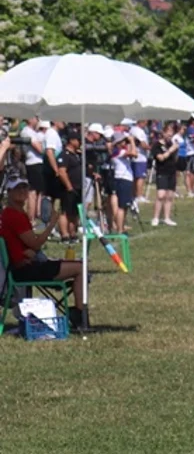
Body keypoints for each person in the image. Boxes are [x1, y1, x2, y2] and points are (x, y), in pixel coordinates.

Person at [0, 175, 88, 329]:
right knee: (80, 268)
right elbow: (35, 243)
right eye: (17, 188)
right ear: (9, 192)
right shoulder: (14, 215)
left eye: (24, 187)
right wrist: (51, 224)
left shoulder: (16, 213)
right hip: (24, 269)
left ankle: (78, 313)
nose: (22, 191)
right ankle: (80, 316)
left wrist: (30, 250)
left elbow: (28, 245)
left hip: (24, 265)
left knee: (77, 266)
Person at [151, 123, 181, 227]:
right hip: (162, 172)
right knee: (161, 195)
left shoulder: (171, 144)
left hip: (171, 171)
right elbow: (160, 158)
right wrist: (171, 150)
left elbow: (175, 159)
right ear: (163, 132)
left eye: (171, 132)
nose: (170, 134)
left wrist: (176, 150)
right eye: (168, 132)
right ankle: (155, 217)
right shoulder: (157, 145)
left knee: (170, 196)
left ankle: (167, 218)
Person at [109, 134, 136, 235]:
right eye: (123, 142)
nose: (125, 143)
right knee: (122, 206)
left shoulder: (120, 151)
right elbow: (134, 153)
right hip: (123, 179)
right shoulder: (119, 151)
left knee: (125, 206)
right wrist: (132, 141)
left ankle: (121, 227)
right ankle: (120, 229)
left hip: (124, 179)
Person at [20, 118, 46, 221]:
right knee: (33, 193)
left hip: (39, 163)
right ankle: (31, 219)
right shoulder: (26, 131)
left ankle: (37, 216)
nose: (38, 120)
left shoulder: (34, 132)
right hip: (33, 164)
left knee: (39, 192)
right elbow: (39, 148)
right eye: (36, 118)